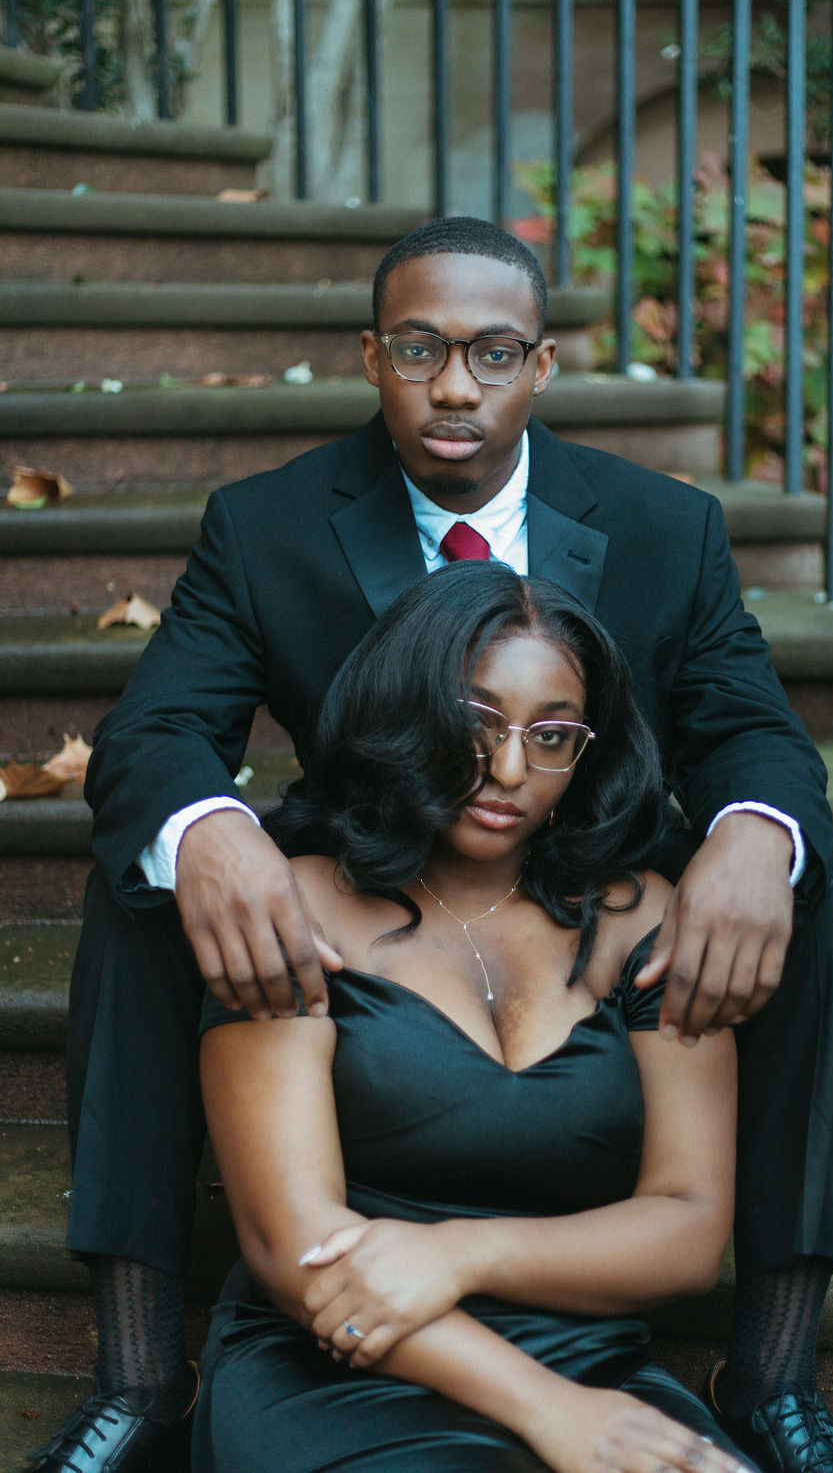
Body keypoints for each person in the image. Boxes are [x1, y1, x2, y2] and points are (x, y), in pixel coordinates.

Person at [26, 217, 833, 1473]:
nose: (456, 385)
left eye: (492, 352)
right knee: (151, 881)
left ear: (540, 364)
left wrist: (754, 831)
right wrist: (212, 831)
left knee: (812, 895)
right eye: (421, 348)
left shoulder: (664, 524)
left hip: (590, 854)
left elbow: (749, 724)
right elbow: (155, 730)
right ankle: (142, 1374)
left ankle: (774, 1370)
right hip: (366, 861)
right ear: (374, 356)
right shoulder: (266, 523)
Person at [191, 561, 755, 1473]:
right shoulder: (294, 909)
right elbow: (290, 1244)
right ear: (406, 709)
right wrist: (554, 1413)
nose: (510, 770)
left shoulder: (643, 918)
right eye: (477, 722)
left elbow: (689, 1228)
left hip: (589, 1361)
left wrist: (464, 1254)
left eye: (552, 735)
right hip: (341, 1364)